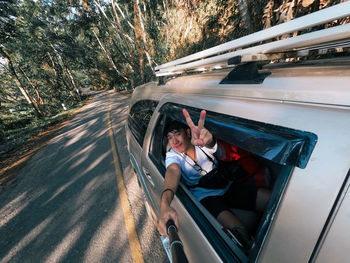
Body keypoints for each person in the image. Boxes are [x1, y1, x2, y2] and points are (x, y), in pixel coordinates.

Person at [158, 109, 270, 249]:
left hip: (225, 185)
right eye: (169, 137)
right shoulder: (172, 155)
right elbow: (173, 171)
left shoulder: (201, 143)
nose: (174, 141)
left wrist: (209, 139)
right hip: (206, 196)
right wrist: (164, 203)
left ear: (187, 132)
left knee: (270, 200)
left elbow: (212, 144)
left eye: (177, 134)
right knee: (239, 232)